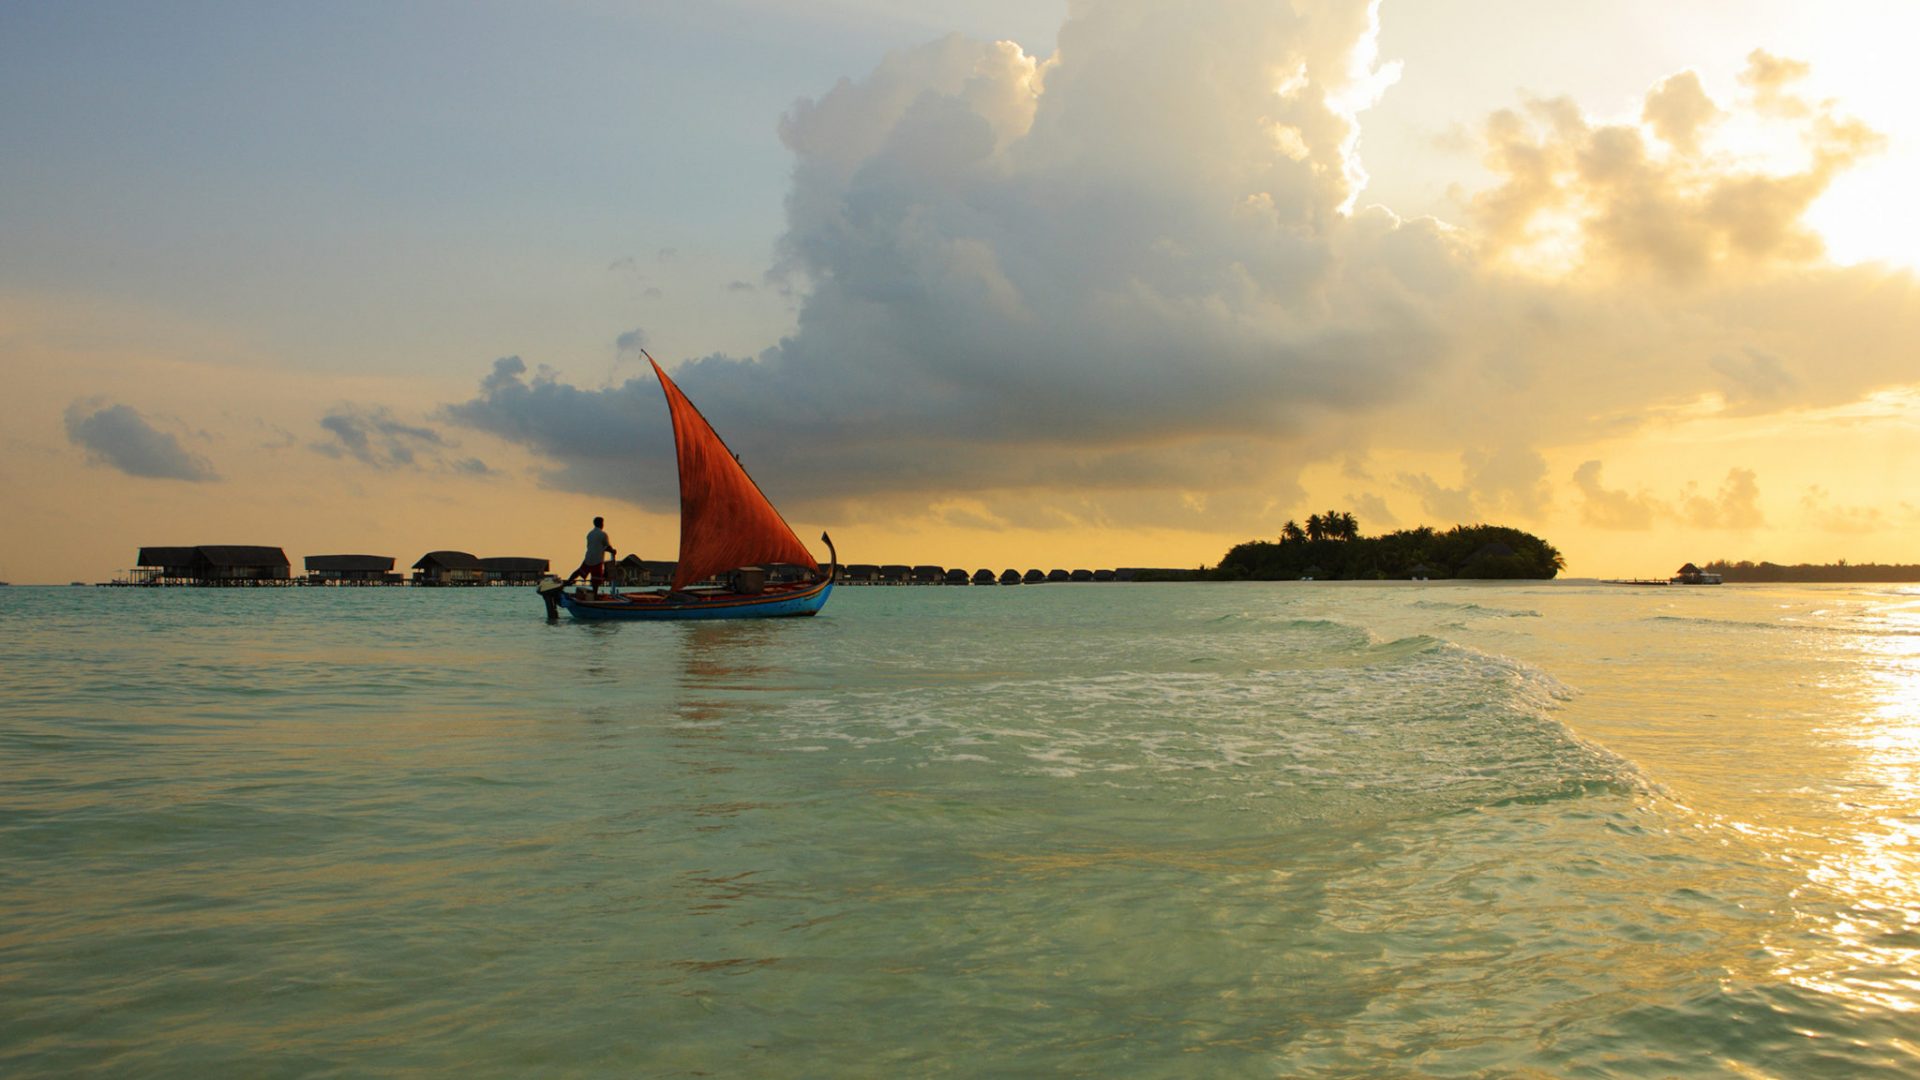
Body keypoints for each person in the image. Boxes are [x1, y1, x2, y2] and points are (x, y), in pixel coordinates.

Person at [563, 516, 617, 590]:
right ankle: (595, 595)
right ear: (601, 524)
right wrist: (613, 551)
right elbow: (607, 547)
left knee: (580, 571)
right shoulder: (603, 534)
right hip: (597, 559)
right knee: (596, 579)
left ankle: (568, 581)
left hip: (588, 557)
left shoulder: (590, 534)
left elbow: (594, 546)